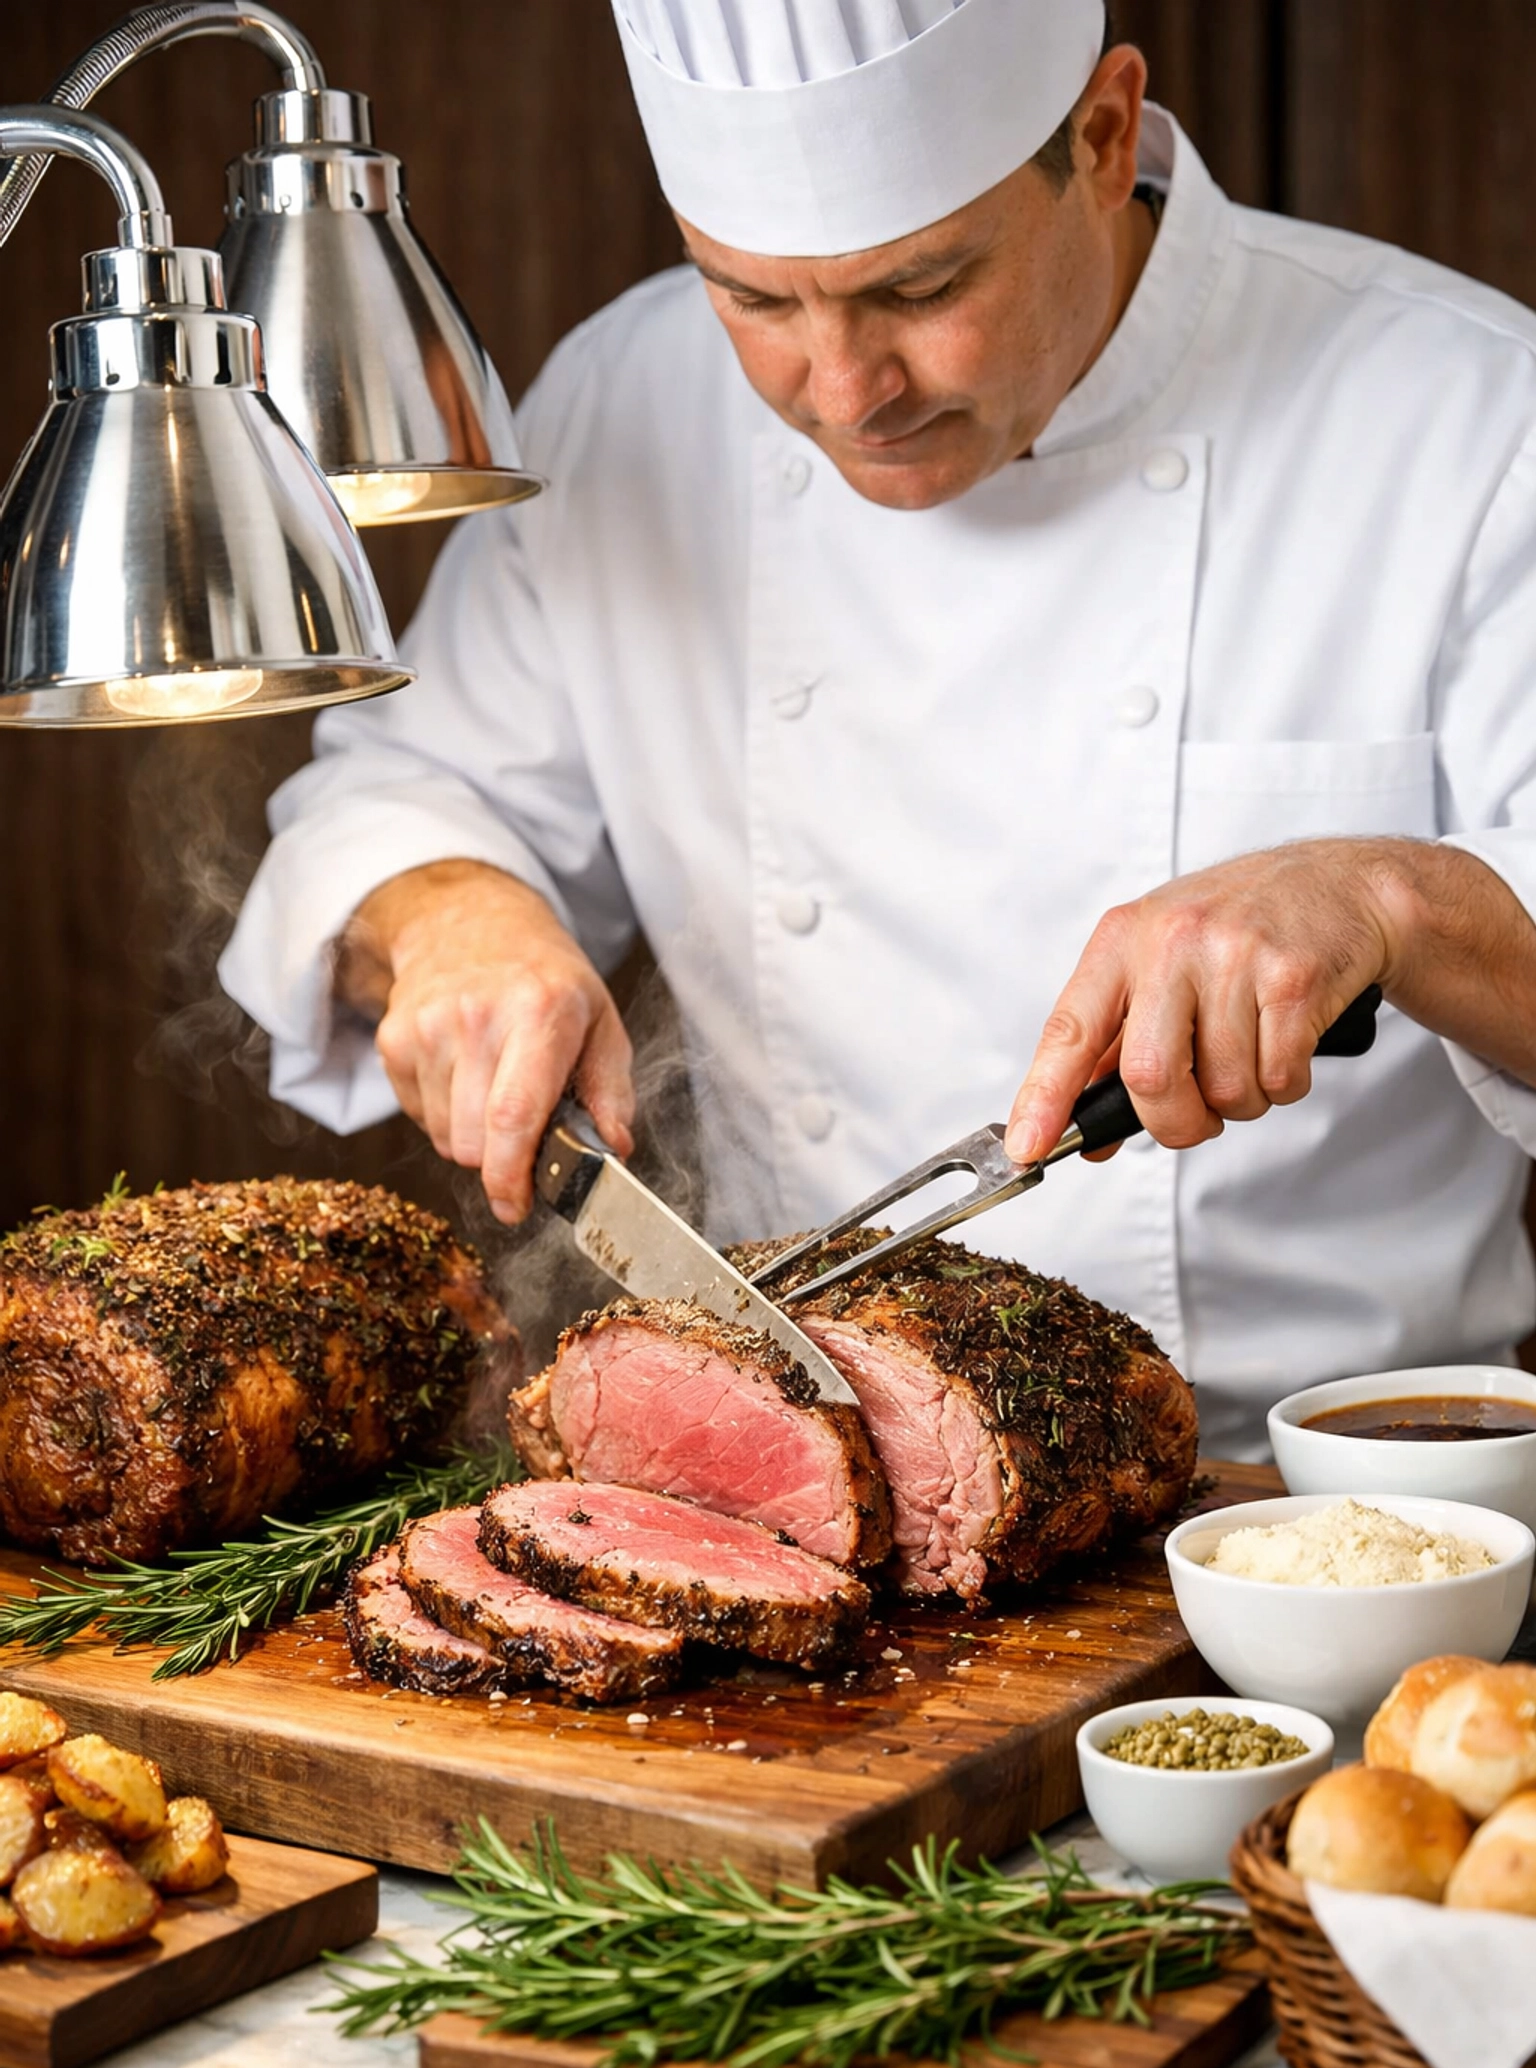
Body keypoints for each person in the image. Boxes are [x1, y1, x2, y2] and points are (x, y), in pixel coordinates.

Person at [221, 0, 1536, 1458]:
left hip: (1341, 1496)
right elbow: (396, 800)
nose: (843, 394)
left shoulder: (1468, 417)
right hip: (826, 1461)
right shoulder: (624, 403)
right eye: (756, 300)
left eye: (921, 286)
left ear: (1101, 137)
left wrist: (1393, 902)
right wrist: (447, 915)